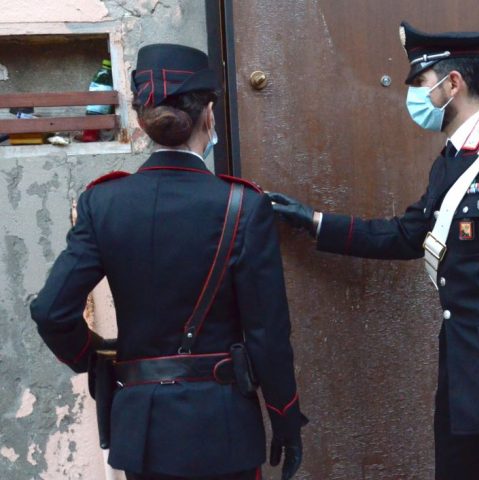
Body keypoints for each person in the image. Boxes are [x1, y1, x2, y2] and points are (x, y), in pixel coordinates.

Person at [269, 22, 479, 480]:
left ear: (452, 84)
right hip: (464, 378)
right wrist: (315, 223)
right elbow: (410, 235)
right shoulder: (453, 160)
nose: (415, 98)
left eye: (421, 84)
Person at [30, 44, 305, 480]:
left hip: (143, 430)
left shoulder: (103, 202)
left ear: (141, 121)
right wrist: (285, 415)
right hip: (224, 429)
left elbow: (50, 310)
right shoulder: (243, 205)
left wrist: (97, 360)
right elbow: (268, 334)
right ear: (208, 114)